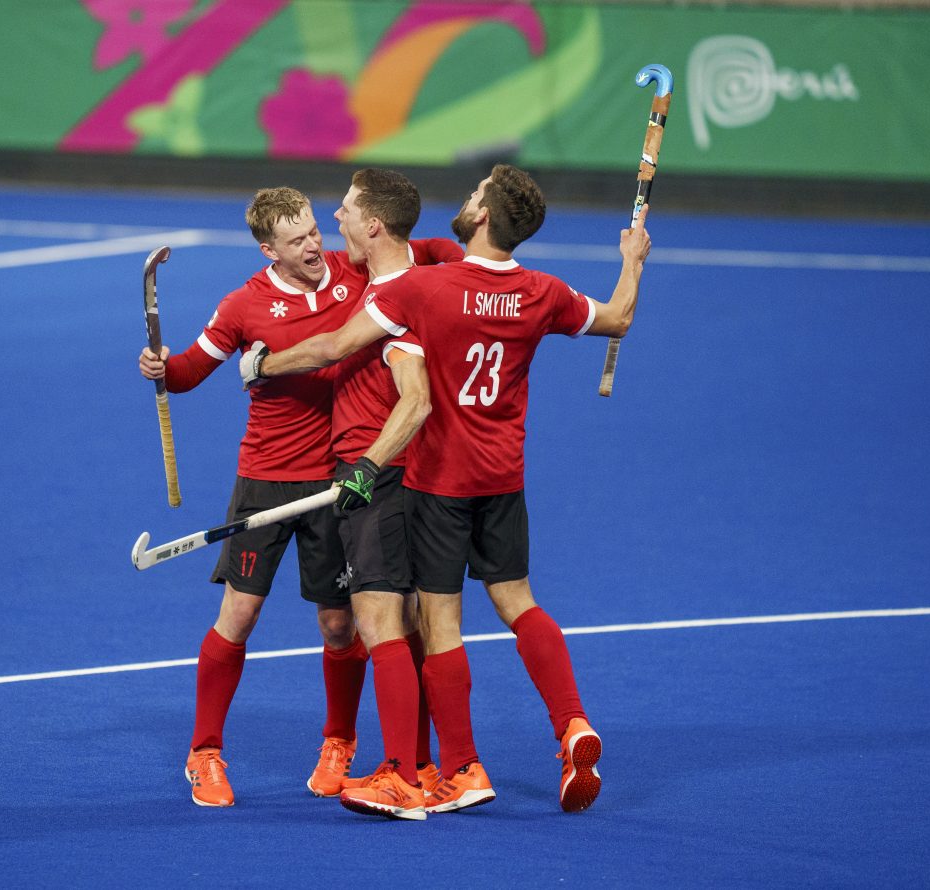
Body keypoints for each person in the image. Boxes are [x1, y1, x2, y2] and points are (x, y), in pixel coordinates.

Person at [240, 164, 652, 814]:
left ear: (485, 216)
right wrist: (632, 259)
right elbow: (620, 317)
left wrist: (263, 363)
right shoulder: (542, 292)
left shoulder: (428, 289)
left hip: (440, 485)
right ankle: (572, 722)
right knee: (520, 603)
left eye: (474, 194)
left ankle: (448, 770)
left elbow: (335, 345)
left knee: (439, 624)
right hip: (505, 480)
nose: (465, 200)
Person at [138, 186, 460, 808]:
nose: (316, 246)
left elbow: (424, 249)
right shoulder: (241, 305)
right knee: (240, 615)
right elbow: (188, 373)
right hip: (264, 478)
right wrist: (161, 366)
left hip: (337, 481)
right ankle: (204, 751)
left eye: (315, 230)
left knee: (341, 625)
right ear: (269, 249)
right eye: (298, 240)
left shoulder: (350, 270)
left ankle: (339, 741)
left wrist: (472, 258)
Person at [318, 169, 460, 821]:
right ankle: (427, 765)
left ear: (374, 225)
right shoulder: (427, 271)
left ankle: (401, 774)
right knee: (409, 622)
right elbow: (439, 247)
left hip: (381, 471)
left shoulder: (399, 302)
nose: (335, 219)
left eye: (345, 210)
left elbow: (416, 399)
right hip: (417, 473)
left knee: (378, 621)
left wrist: (366, 466)